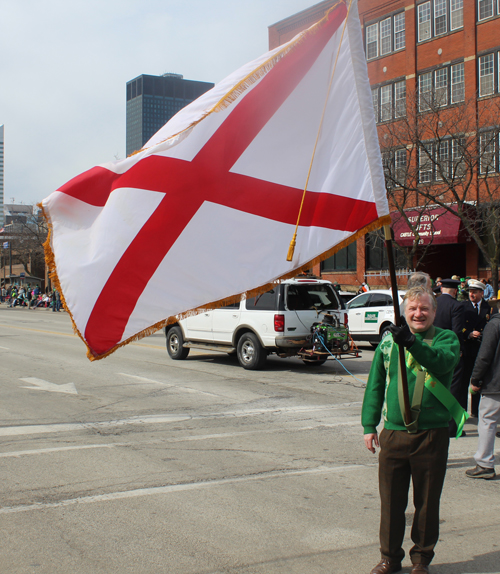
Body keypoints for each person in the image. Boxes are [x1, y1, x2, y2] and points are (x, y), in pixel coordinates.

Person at [362, 287, 461, 574]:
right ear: (405, 313)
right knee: (391, 502)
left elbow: (441, 363)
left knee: (427, 502)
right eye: (413, 309)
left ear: (434, 311)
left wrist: (413, 343)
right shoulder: (388, 343)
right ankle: (389, 558)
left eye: (424, 309)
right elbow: (375, 385)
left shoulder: (446, 338)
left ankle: (421, 559)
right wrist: (369, 425)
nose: (419, 314)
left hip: (431, 434)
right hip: (393, 434)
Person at [465, 310, 500, 480]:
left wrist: (476, 379)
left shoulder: (495, 324)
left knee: (487, 421)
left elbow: (484, 356)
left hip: (495, 383)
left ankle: (485, 463)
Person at [433, 278, 466, 437]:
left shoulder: (434, 304)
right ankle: (451, 427)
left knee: (433, 386)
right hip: (449, 351)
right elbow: (457, 331)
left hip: (432, 349)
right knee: (453, 388)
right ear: (455, 291)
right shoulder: (456, 305)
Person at [462, 279, 498, 417]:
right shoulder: (463, 306)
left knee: (478, 380)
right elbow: (459, 325)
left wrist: (482, 334)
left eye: (475, 292)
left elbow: (492, 326)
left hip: (481, 347)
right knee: (464, 381)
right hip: (467, 347)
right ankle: (463, 411)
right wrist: (468, 333)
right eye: (470, 292)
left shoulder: (489, 308)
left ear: (482, 293)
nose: (471, 294)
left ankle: (476, 411)